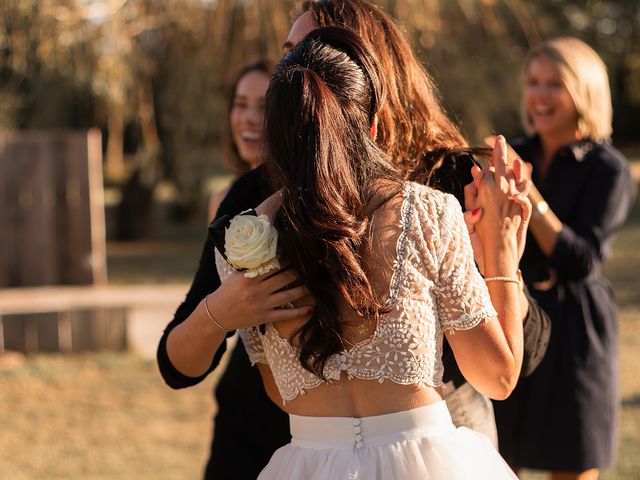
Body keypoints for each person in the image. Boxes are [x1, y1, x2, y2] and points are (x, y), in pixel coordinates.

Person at [157, 1, 549, 478]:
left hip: (314, 459)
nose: (301, 72)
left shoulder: (249, 235)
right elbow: (500, 374)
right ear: (371, 111)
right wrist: (503, 251)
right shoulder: (427, 210)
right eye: (291, 56)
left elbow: (283, 393)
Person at [490, 37, 637, 480]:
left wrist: (529, 196)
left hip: (576, 329)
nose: (539, 96)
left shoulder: (608, 168)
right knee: (498, 460)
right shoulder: (516, 152)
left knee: (572, 465)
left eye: (554, 84)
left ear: (584, 91)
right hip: (515, 317)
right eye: (533, 83)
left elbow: (582, 259)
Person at [208, 59, 274, 222]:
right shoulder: (221, 201)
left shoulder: (296, 203)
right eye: (241, 104)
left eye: (264, 106)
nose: (249, 118)